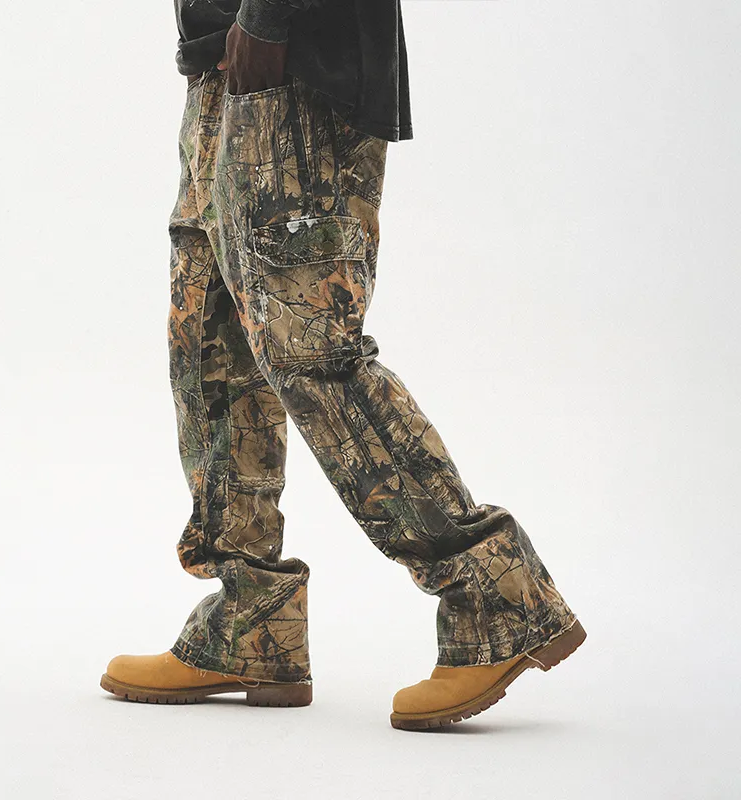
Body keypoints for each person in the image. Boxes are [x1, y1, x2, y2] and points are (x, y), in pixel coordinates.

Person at [100, 0, 585, 731]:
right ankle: (251, 621)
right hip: (220, 63)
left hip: (291, 58)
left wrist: (266, 18)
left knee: (313, 352)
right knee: (211, 339)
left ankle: (493, 594)